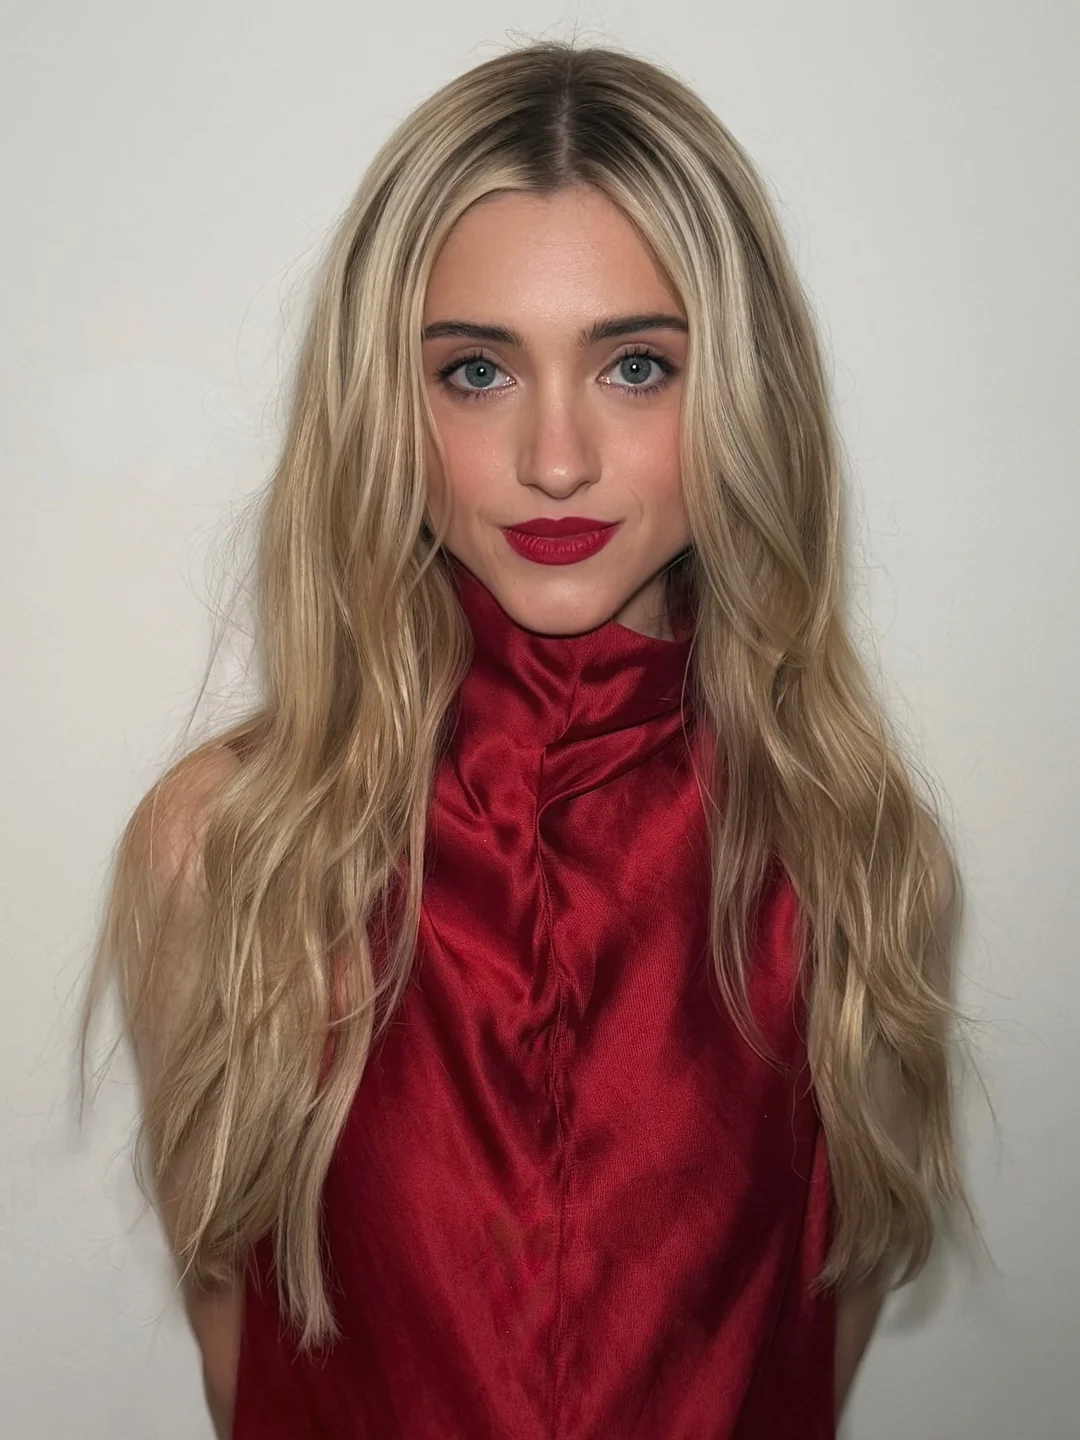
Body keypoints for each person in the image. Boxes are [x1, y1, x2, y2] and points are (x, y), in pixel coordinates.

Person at [77, 37, 968, 1440]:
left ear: (742, 394)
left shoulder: (851, 858)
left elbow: (814, 1350)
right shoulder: (228, 851)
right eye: (479, 371)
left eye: (636, 365)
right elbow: (246, 1366)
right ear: (386, 403)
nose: (558, 459)